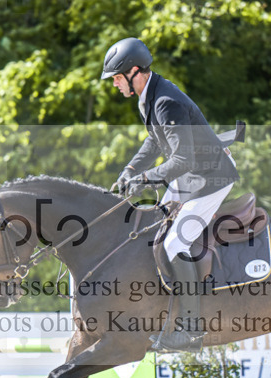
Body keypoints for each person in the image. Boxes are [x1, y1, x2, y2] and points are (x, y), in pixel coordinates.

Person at [102, 36, 239, 352]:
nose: (114, 85)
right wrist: (131, 170)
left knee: (175, 242)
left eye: (117, 78)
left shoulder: (164, 101)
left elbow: (183, 160)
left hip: (211, 177)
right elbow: (154, 141)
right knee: (154, 232)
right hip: (193, 174)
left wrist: (147, 178)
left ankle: (191, 333)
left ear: (135, 71)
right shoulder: (149, 95)